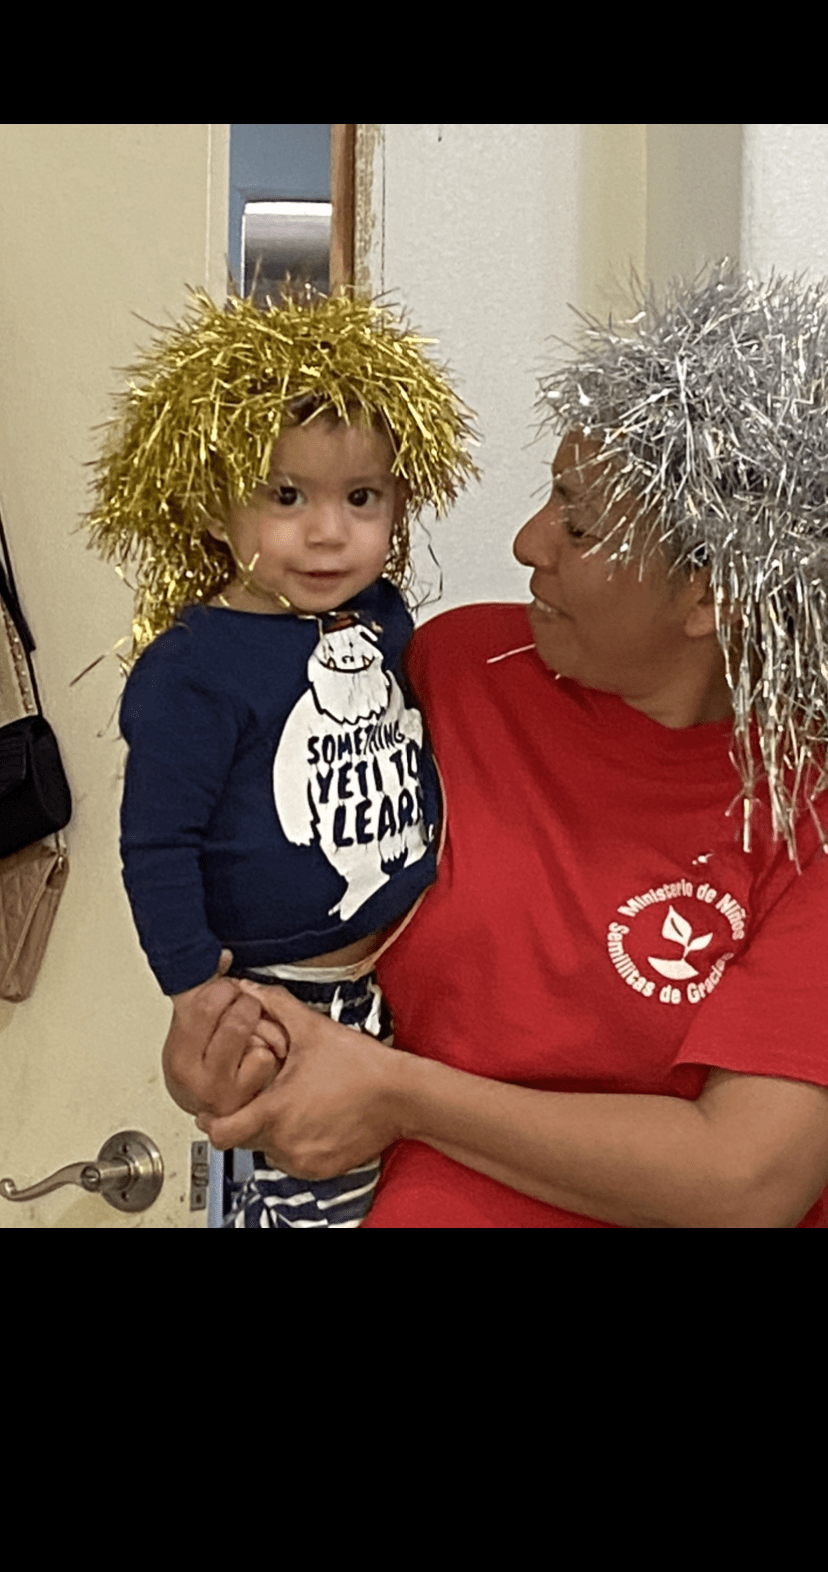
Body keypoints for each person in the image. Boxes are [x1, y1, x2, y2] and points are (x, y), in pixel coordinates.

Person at [161, 263, 828, 1229]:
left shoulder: (806, 807)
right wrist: (222, 1044)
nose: (526, 541)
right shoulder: (454, 669)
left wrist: (401, 1094)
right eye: (552, 492)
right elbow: (302, 937)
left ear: (709, 596)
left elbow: (745, 1179)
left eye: (582, 524)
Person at [85, 284, 476, 1227]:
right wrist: (193, 988)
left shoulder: (380, 617)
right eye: (286, 496)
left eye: (361, 498)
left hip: (405, 966)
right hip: (285, 996)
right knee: (318, 1207)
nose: (328, 531)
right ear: (217, 509)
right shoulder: (194, 668)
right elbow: (158, 843)